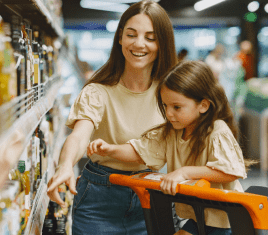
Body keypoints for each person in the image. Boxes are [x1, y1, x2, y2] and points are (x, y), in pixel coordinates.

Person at [47, 1, 178, 234]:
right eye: (131, 34)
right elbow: (79, 137)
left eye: (150, 37)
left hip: (152, 197)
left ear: (162, 43)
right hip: (99, 200)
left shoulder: (171, 93)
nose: (139, 43)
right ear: (120, 38)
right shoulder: (98, 91)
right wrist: (65, 165)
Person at [87, 60, 255, 235]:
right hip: (197, 218)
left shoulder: (217, 131)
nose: (168, 114)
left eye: (177, 107)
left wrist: (184, 172)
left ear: (203, 105)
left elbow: (230, 171)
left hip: (228, 221)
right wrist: (110, 149)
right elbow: (140, 151)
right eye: (165, 106)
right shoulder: (171, 132)